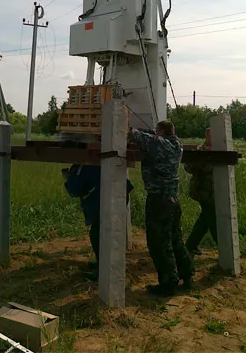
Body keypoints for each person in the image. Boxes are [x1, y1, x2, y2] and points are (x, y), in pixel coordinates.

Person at [129, 119, 194, 296]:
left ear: (160, 132)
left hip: (159, 200)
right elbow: (151, 136)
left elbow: (135, 134)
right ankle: (187, 274)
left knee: (159, 242)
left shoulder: (158, 143)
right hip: (173, 198)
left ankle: (168, 283)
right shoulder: (176, 143)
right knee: (175, 239)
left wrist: (127, 125)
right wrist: (152, 131)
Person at [62, 164, 133, 281]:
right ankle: (104, 263)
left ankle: (103, 270)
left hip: (106, 200)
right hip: (119, 194)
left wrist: (67, 178)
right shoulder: (95, 162)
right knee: (105, 232)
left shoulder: (82, 168)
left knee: (98, 235)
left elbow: (74, 190)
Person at [184, 127, 218, 256]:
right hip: (202, 191)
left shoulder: (219, 150)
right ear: (206, 136)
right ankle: (223, 248)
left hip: (212, 191)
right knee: (212, 218)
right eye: (211, 135)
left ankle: (191, 245)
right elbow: (188, 167)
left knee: (205, 219)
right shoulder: (199, 150)